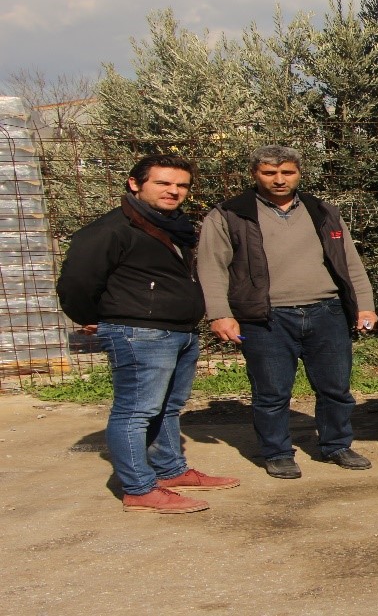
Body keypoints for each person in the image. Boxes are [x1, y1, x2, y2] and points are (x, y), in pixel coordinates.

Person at [58, 154, 239, 513]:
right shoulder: (111, 230)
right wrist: (90, 316)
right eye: (163, 183)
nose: (174, 191)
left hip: (178, 331)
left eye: (181, 185)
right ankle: (139, 488)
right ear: (134, 184)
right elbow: (76, 282)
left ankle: (170, 470)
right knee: (135, 411)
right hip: (139, 332)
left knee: (168, 407)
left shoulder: (173, 226)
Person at [196, 145, 378, 479]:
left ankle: (337, 444)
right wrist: (219, 313)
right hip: (266, 317)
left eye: (287, 172)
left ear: (298, 173)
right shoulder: (229, 214)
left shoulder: (322, 211)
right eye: (269, 173)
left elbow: (349, 261)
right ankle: (277, 452)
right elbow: (212, 267)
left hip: (327, 312)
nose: (279, 180)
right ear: (254, 174)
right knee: (271, 392)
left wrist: (364, 303)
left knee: (335, 388)